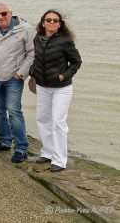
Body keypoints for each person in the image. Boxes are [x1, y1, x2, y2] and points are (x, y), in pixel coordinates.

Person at [0, 2, 35, 163]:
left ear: (11, 13)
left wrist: (21, 72)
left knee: (14, 111)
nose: (1, 17)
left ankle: (21, 148)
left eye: (4, 13)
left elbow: (32, 53)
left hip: (13, 79)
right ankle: (4, 140)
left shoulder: (25, 29)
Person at [30, 10, 82, 172]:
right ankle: (47, 152)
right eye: (48, 20)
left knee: (58, 122)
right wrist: (33, 72)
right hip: (42, 86)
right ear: (43, 22)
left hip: (62, 88)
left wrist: (63, 76)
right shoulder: (37, 39)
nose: (51, 22)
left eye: (55, 20)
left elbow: (76, 62)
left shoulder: (66, 41)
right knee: (42, 119)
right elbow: (36, 58)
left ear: (59, 24)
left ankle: (60, 160)